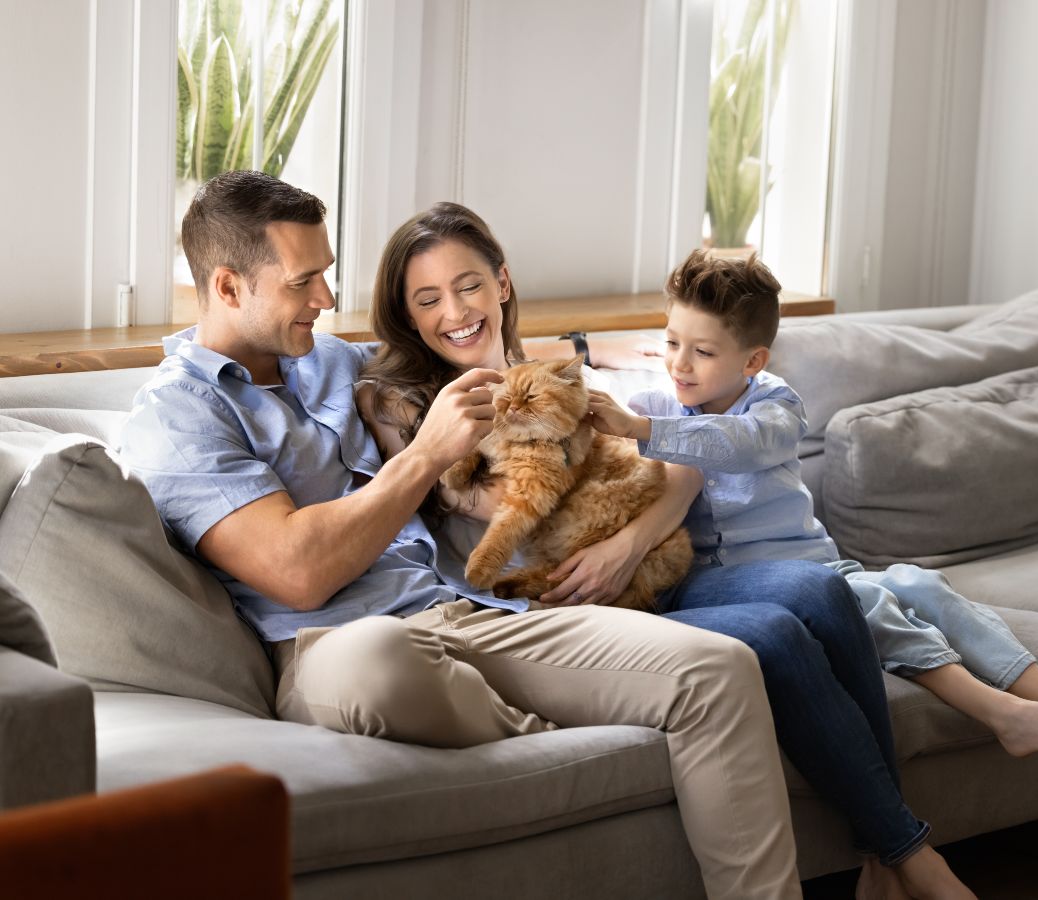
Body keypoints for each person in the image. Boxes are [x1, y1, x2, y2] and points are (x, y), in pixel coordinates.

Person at [118, 171, 806, 900]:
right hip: (332, 643)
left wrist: (620, 366)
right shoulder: (179, 414)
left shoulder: (340, 364)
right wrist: (424, 456)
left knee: (720, 668)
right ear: (227, 288)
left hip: (470, 613)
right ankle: (537, 721)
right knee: (380, 660)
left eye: (326, 276)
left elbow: (486, 359)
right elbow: (297, 571)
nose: (325, 300)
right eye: (304, 282)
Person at [358, 201, 979, 899]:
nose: (455, 310)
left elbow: (680, 468)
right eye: (428, 298)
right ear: (409, 316)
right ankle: (908, 854)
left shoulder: (558, 374)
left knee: (824, 592)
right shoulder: (402, 403)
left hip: (646, 573)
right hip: (555, 605)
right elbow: (505, 505)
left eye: (468, 284)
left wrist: (626, 543)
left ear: (501, 283)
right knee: (772, 634)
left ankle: (884, 853)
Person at [586, 249, 1038, 768]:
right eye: (671, 343)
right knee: (869, 600)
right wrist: (585, 350)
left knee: (924, 586)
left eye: (702, 352)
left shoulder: (776, 404)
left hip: (818, 566)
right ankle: (1005, 717)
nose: (680, 364)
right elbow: (555, 370)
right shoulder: (655, 398)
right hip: (743, 585)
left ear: (753, 360)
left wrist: (641, 430)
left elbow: (740, 443)